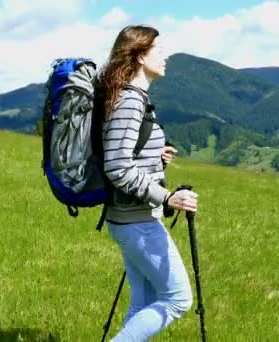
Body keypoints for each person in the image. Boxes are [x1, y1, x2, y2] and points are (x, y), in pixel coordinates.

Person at [93, 25, 199, 341]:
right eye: (158, 50)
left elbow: (127, 155)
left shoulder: (130, 96)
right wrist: (167, 197)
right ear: (140, 56)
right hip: (137, 222)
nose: (165, 56)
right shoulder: (130, 100)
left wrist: (156, 160)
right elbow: (117, 165)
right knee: (178, 300)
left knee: (145, 302)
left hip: (129, 218)